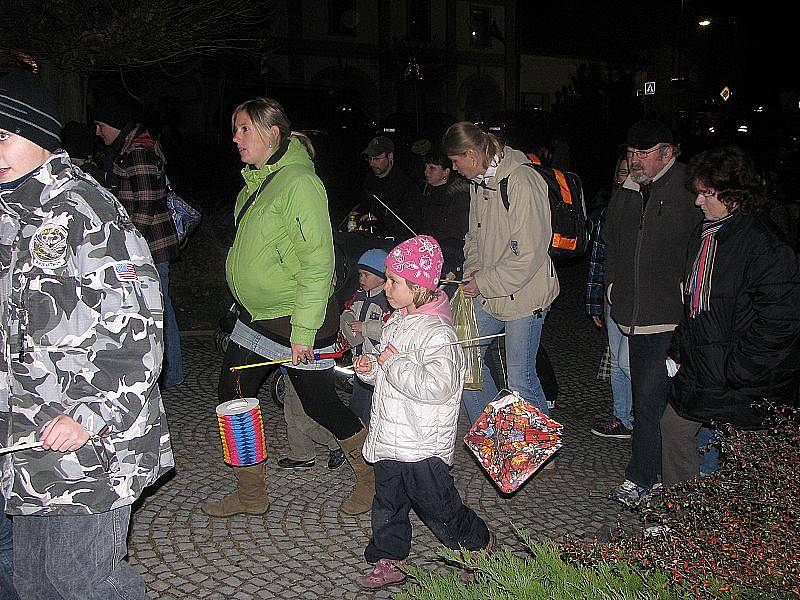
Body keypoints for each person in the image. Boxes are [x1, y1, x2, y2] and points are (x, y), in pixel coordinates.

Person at [0, 70, 173, 599]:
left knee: (83, 582)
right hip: (24, 438)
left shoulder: (87, 212)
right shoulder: (10, 213)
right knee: (30, 582)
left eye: (2, 134)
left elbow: (139, 337)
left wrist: (88, 417)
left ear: (38, 135)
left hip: (87, 442)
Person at [202, 97, 374, 518]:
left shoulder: (299, 183)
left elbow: (319, 261)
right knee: (232, 392)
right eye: (235, 128)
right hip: (257, 320)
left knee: (321, 404)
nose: (236, 137)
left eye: (245, 129)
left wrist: (303, 332)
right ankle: (250, 493)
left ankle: (372, 478)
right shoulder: (258, 182)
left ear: (272, 133)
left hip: (298, 321)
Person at [353, 235, 494, 591]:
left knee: (438, 507)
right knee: (387, 504)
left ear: (419, 287)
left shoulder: (439, 333)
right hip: (389, 438)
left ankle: (477, 544)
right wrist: (370, 369)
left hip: (420, 443)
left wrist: (394, 362)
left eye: (393, 281)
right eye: (386, 279)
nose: (386, 287)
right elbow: (388, 374)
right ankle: (390, 557)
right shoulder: (396, 321)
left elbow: (438, 387)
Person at [662, 146, 800, 488]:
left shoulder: (765, 244)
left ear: (735, 196)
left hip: (746, 379)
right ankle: (683, 515)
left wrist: (738, 369)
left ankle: (742, 531)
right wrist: (679, 350)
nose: (698, 202)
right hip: (703, 365)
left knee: (749, 460)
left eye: (707, 194)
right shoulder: (707, 235)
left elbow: (781, 321)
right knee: (674, 427)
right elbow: (694, 301)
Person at [602, 120, 702, 505]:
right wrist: (613, 288)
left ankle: (649, 477)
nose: (635, 160)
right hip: (633, 314)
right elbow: (611, 240)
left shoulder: (687, 190)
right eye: (631, 153)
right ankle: (651, 475)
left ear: (667, 152)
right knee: (648, 400)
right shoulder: (629, 190)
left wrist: (685, 297)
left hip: (670, 317)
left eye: (644, 153)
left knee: (654, 400)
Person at [442, 121, 559, 423]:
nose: (454, 169)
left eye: (455, 161)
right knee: (464, 364)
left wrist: (482, 282)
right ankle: (497, 436)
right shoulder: (478, 183)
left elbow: (529, 254)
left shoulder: (522, 181)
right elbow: (474, 239)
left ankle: (540, 449)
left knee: (520, 378)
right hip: (490, 289)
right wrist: (473, 273)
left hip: (525, 295)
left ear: (470, 154)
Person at [94, 100, 184, 389]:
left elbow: (146, 202)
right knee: (158, 308)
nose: (98, 132)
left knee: (160, 309)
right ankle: (167, 373)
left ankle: (170, 374)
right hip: (149, 244)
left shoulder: (137, 151)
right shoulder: (129, 149)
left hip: (152, 247)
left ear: (114, 124)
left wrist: (131, 245)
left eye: (101, 125)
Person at [587, 154, 633, 439]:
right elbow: (597, 258)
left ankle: (641, 414)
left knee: (630, 361)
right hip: (610, 295)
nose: (624, 176)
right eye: (621, 171)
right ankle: (621, 415)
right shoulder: (610, 209)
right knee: (616, 360)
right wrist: (594, 300)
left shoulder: (646, 207)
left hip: (635, 299)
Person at [340, 249, 392, 425]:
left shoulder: (386, 301)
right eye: (360, 274)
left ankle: (365, 433)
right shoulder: (359, 296)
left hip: (376, 361)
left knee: (371, 405)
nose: (361, 279)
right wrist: (347, 318)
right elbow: (349, 311)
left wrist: (365, 327)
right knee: (357, 402)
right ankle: (357, 435)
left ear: (381, 277)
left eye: (366, 275)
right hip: (360, 360)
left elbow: (389, 329)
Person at [418, 149, 470, 280]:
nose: (426, 172)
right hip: (430, 251)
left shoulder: (458, 197)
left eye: (432, 168)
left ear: (446, 172)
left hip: (450, 255)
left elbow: (455, 231)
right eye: (426, 167)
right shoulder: (427, 192)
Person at [277, 374, 345, 470]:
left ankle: (337, 444)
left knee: (302, 419)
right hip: (289, 371)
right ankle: (302, 454)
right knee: (291, 416)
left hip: (301, 371)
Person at [360, 135, 419, 238]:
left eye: (377, 158)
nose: (372, 163)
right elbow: (365, 205)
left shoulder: (405, 183)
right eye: (370, 158)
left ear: (390, 156)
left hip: (395, 239)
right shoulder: (369, 180)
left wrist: (379, 221)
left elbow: (408, 222)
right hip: (372, 234)